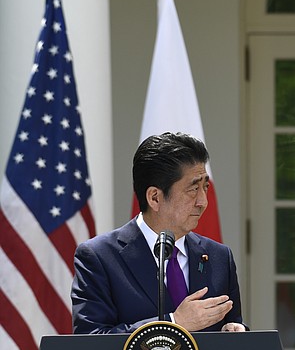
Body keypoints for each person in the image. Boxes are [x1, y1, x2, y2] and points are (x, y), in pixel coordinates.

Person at [72, 132, 246, 334]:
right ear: (154, 197)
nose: (203, 202)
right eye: (193, 189)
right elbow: (91, 340)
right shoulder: (99, 257)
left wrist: (235, 331)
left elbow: (234, 328)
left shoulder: (219, 257)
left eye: (205, 187)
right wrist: (173, 323)